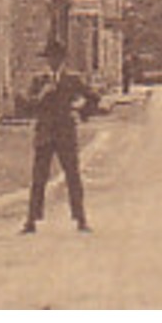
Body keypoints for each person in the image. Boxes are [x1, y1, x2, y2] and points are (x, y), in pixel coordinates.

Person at [20, 37, 99, 234]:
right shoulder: (39, 80)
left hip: (65, 132)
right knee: (39, 178)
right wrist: (42, 95)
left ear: (62, 59)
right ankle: (31, 220)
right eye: (49, 58)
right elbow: (27, 106)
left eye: (56, 58)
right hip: (45, 133)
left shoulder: (72, 79)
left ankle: (80, 218)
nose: (52, 62)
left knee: (73, 176)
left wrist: (81, 111)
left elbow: (93, 97)